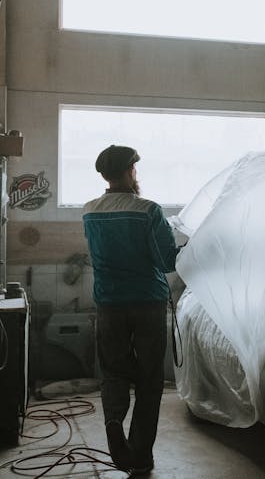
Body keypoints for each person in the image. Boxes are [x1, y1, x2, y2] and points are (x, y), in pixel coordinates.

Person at [83, 145, 180, 475]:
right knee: (150, 379)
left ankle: (113, 427)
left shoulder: (89, 210)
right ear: (129, 172)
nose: (136, 174)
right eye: (134, 169)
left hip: (109, 303)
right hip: (147, 302)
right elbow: (165, 259)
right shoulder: (148, 210)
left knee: (113, 371)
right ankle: (140, 455)